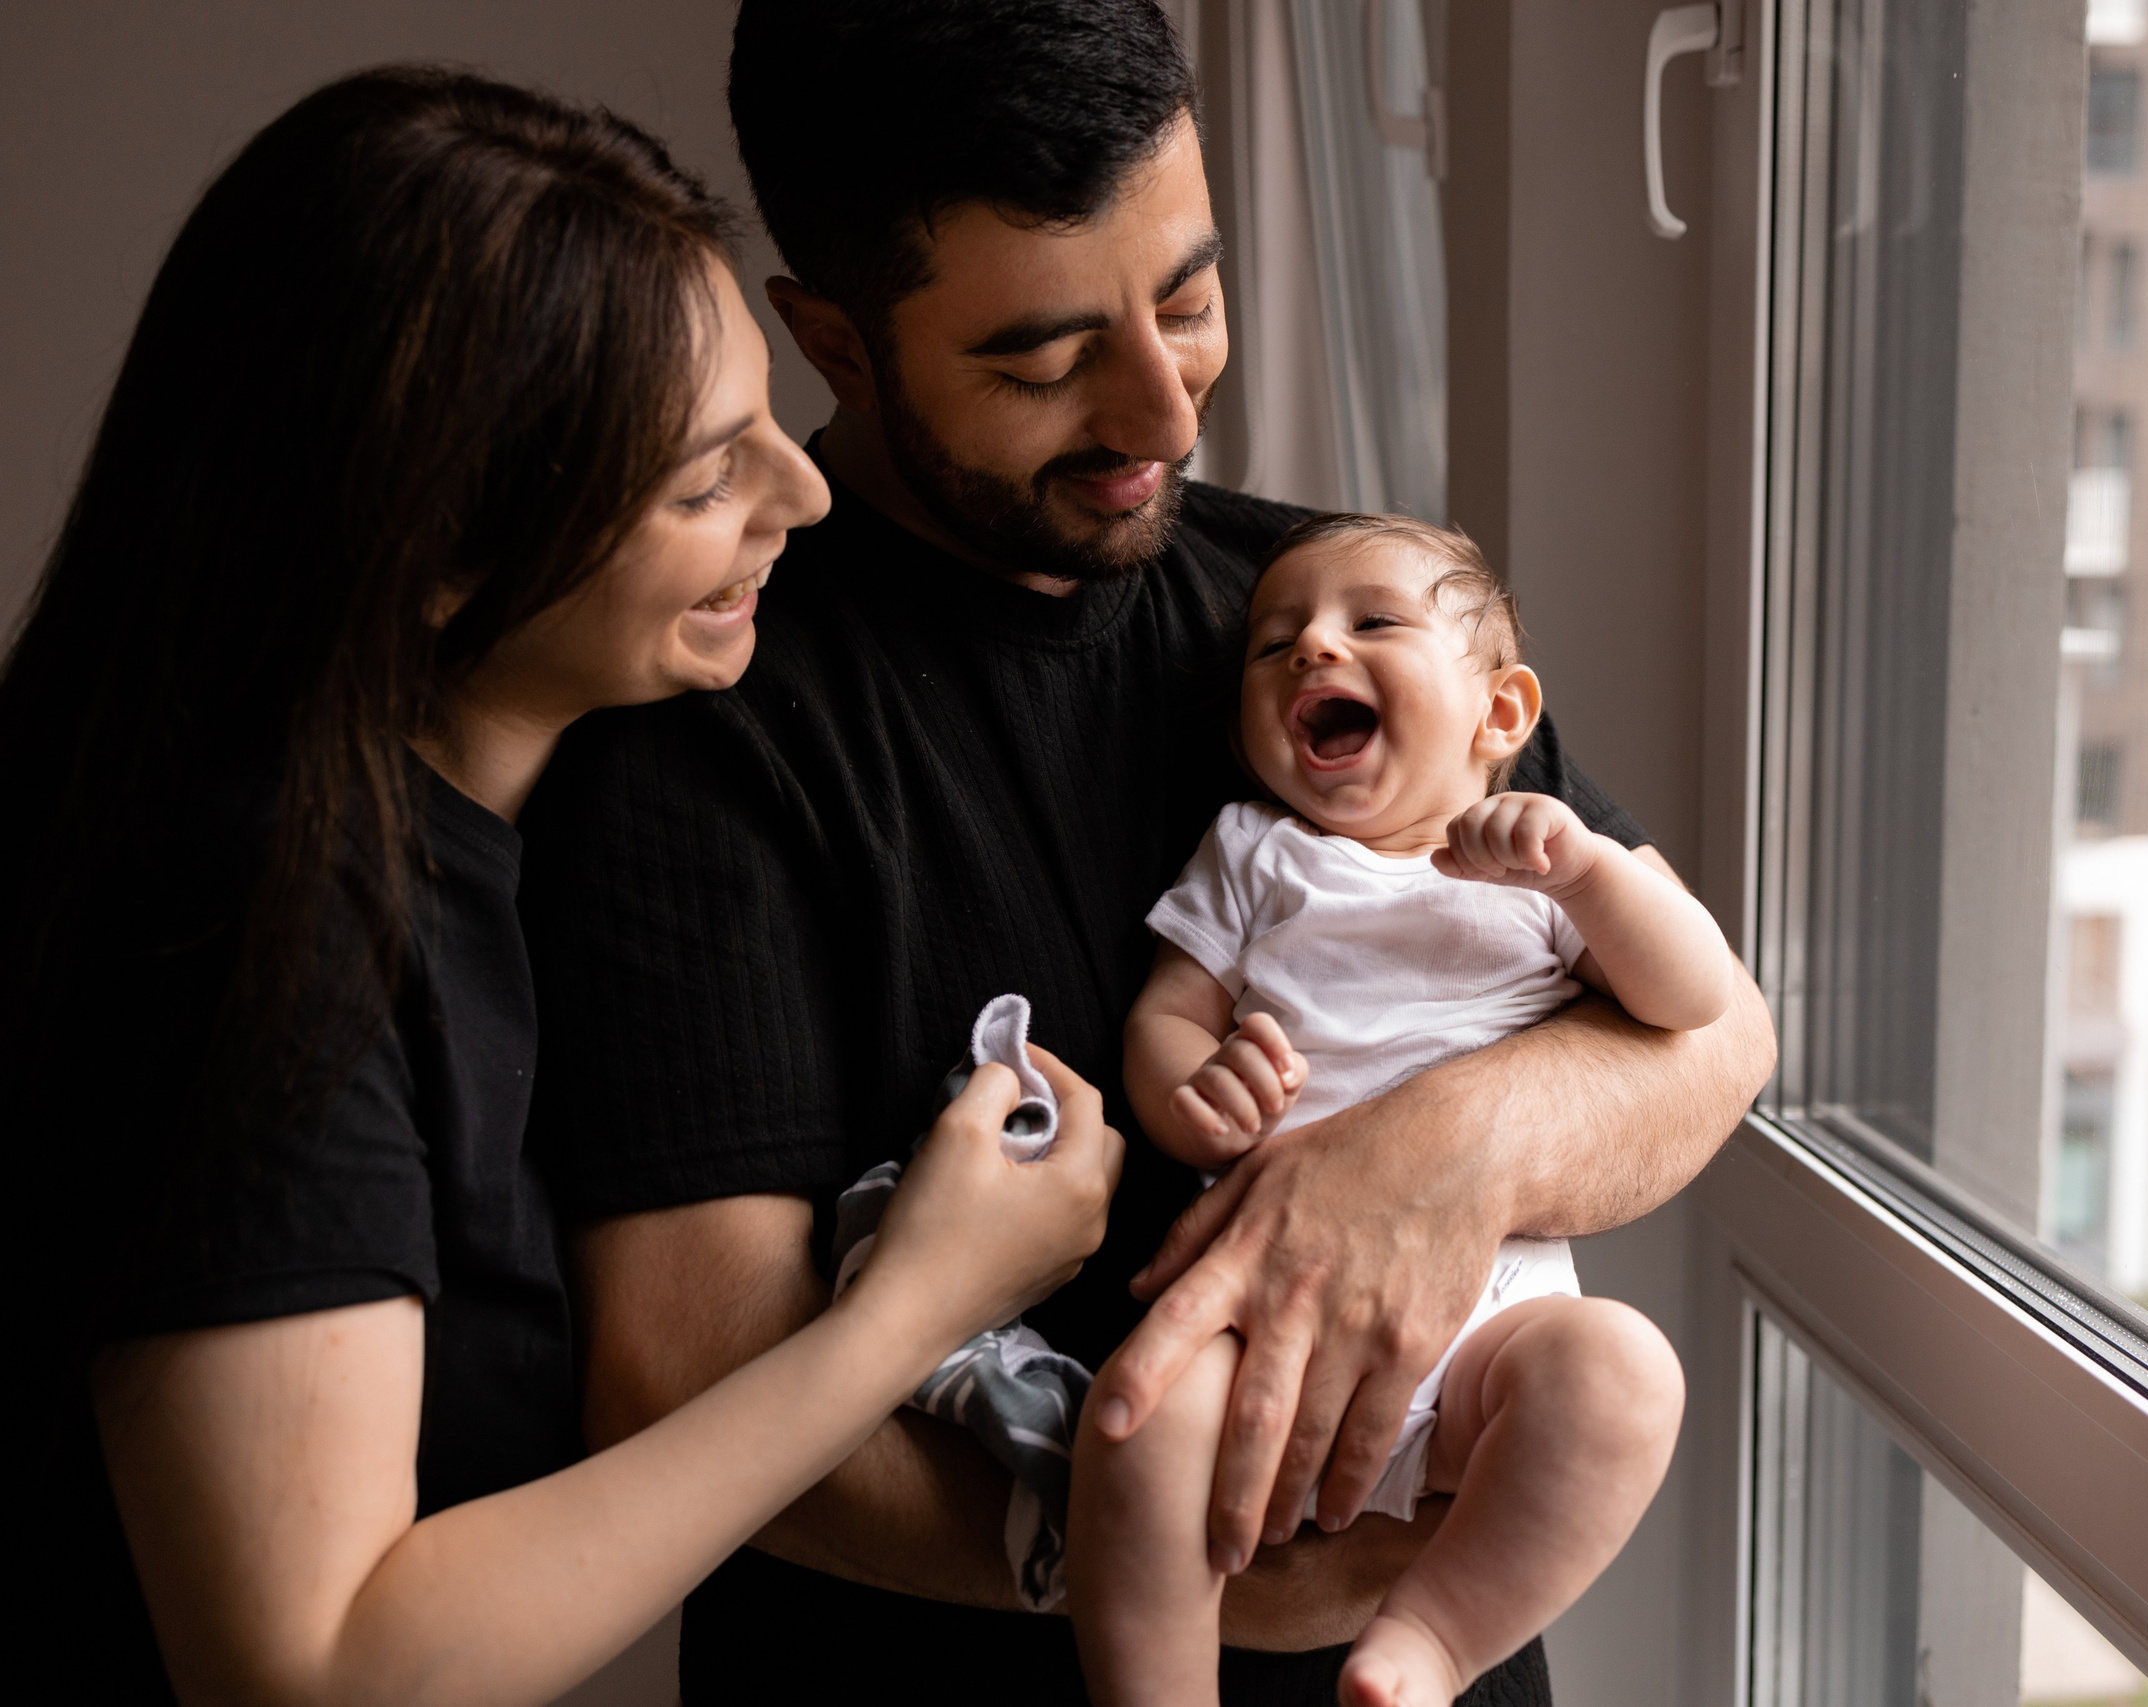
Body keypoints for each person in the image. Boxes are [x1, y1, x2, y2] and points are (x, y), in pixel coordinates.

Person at [517, 2, 1777, 1701]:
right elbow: (683, 1373)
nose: (1163, 415)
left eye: (1188, 299)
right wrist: (1159, 1574)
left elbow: (1712, 1040)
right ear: (836, 338)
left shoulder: (1341, 619)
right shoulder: (699, 718)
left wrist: (1451, 1144)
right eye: (1042, 359)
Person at [10, 67, 1118, 1707]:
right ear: (442, 552)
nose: (800, 496)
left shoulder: (485, 831)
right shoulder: (264, 917)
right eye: (701, 481)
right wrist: (915, 1311)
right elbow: (315, 1665)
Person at [1077, 514, 1721, 1706]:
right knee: (1136, 1422)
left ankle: (1431, 1639)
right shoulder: (1259, 855)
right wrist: (1187, 1093)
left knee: (1623, 1379)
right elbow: (1170, 1013)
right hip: (1263, 1312)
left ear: (1501, 716)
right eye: (1273, 648)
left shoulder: (1542, 874)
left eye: (1373, 623)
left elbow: (1698, 999)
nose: (1312, 650)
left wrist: (1589, 870)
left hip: (1495, 1327)